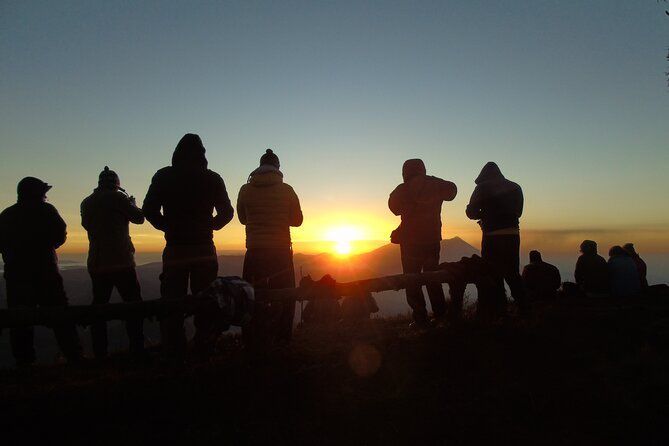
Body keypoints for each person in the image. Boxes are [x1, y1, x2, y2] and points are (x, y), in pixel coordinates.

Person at [143, 134, 234, 356]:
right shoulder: (212, 178)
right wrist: (211, 226)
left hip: (175, 248)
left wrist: (167, 226)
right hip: (204, 248)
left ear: (176, 153)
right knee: (205, 300)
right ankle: (205, 348)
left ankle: (174, 351)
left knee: (173, 301)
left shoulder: (163, 176)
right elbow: (227, 213)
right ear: (202, 154)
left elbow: (148, 210)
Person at [0, 177, 82, 366]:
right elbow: (60, 236)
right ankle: (74, 357)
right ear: (37, 193)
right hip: (47, 273)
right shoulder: (46, 210)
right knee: (60, 316)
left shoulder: (6, 215)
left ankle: (25, 364)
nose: (46, 196)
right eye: (44, 192)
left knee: (20, 322)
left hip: (16, 277)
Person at [237, 149, 303, 345]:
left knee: (251, 296)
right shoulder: (287, 190)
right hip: (281, 252)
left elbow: (242, 219)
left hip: (255, 252)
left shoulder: (245, 190)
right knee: (286, 295)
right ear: (277, 168)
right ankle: (283, 339)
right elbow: (298, 220)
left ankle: (251, 340)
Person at [81, 167, 145, 359]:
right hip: (121, 262)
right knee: (133, 305)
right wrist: (133, 203)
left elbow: (87, 225)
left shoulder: (87, 202)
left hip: (97, 262)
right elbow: (139, 218)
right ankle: (137, 349)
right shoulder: (118, 198)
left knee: (99, 307)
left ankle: (100, 353)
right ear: (116, 185)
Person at [388, 159, 457, 328]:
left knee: (412, 279)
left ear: (405, 172)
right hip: (432, 240)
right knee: (432, 276)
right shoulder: (436, 184)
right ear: (422, 169)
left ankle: (420, 318)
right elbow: (452, 191)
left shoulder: (402, 189)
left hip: (410, 242)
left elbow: (393, 207)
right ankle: (440, 315)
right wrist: (430, 181)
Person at [466, 162, 525, 312]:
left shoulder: (482, 187)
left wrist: (484, 214)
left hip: (492, 235)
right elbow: (518, 212)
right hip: (513, 234)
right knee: (512, 273)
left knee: (493, 273)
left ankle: (499, 309)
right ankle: (525, 307)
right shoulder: (515, 187)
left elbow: (471, 212)